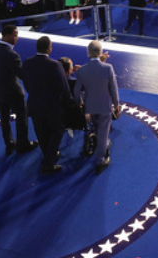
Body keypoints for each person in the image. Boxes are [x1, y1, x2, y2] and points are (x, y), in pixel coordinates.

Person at [21, 35, 75, 174]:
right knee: (57, 131)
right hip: (52, 106)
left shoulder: (27, 63)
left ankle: (48, 156)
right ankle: (48, 162)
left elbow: (26, 83)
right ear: (49, 48)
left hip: (34, 104)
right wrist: (70, 103)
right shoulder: (55, 65)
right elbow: (64, 87)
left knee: (41, 132)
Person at [0, 24, 34, 156]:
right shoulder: (11, 54)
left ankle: (9, 144)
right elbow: (21, 74)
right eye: (15, 35)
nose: (17, 38)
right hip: (13, 92)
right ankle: (22, 144)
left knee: (4, 118)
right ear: (7, 36)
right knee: (21, 115)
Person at [74, 40, 120, 173]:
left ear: (88, 53)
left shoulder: (82, 70)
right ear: (100, 52)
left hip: (90, 106)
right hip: (105, 106)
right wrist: (116, 104)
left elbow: (77, 91)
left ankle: (102, 144)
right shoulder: (108, 68)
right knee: (103, 132)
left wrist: (79, 102)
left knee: (97, 127)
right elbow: (113, 88)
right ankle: (100, 161)